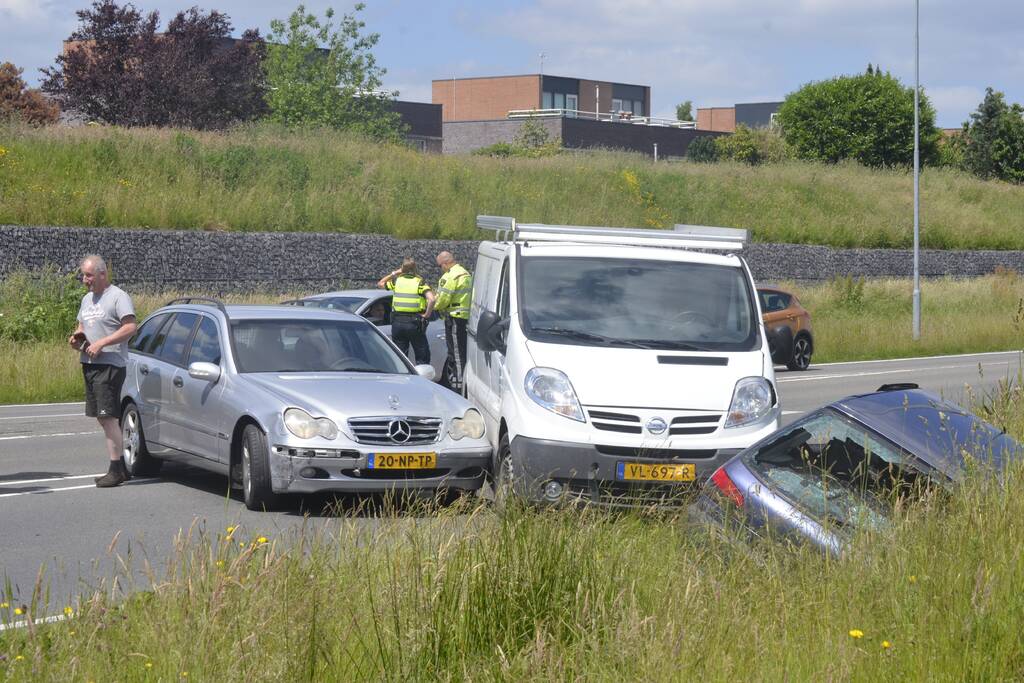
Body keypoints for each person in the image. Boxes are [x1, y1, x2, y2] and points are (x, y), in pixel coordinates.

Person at [68, 255, 137, 488]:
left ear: (102, 274)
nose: (84, 280)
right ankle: (121, 468)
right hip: (89, 363)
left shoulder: (118, 297)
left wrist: (102, 343)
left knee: (108, 417)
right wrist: (77, 338)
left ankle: (116, 469)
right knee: (102, 416)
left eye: (88, 275)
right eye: (83, 275)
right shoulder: (87, 299)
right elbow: (82, 326)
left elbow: (130, 327)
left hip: (110, 364)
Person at [377, 257, 434, 365]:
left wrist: (395, 272)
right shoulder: (420, 282)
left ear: (402, 268)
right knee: (422, 355)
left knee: (400, 357)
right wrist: (426, 315)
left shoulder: (397, 281)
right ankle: (422, 379)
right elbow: (432, 299)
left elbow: (380, 283)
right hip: (414, 322)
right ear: (415, 269)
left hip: (397, 322)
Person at [434, 251, 473, 391]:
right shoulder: (465, 274)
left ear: (445, 263)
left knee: (456, 354)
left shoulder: (450, 276)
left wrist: (432, 306)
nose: (441, 269)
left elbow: (442, 300)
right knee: (462, 352)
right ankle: (462, 383)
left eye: (440, 266)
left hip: (455, 319)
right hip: (465, 317)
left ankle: (458, 387)